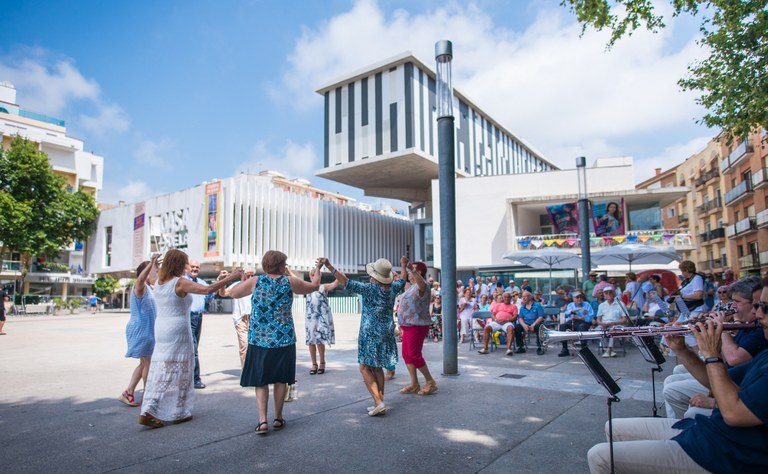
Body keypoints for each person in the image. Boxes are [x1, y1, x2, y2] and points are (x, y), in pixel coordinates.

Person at [586, 278, 768, 474]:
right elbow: (718, 383)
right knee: (612, 427)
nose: (758, 313)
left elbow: (734, 414)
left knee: (599, 456)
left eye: (764, 307)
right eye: (757, 306)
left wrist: (712, 354)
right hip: (707, 433)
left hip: (722, 454)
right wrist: (681, 349)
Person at [138, 249, 242, 428]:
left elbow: (147, 276)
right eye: (185, 263)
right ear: (178, 265)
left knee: (161, 369)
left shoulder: (158, 282)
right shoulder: (180, 283)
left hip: (161, 328)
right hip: (178, 330)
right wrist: (231, 277)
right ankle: (175, 411)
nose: (187, 266)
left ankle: (151, 407)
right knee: (181, 369)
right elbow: (207, 289)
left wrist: (153, 261)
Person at [224, 251, 321, 434]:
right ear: (280, 265)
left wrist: (233, 278)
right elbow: (314, 286)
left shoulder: (256, 281)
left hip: (259, 340)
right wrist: (318, 269)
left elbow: (233, 293)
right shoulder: (289, 282)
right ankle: (277, 418)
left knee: (261, 381)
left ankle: (262, 421)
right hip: (283, 339)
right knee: (280, 380)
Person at [663, 276, 766, 419]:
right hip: (730, 381)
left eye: (736, 302)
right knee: (673, 382)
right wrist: (704, 332)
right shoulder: (747, 324)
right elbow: (724, 361)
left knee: (674, 391)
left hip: (733, 390)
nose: (732, 307)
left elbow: (733, 359)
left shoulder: (759, 331)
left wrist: (720, 328)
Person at [323, 256, 406, 417]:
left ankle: (378, 402)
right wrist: (403, 265)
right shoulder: (393, 288)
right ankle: (379, 401)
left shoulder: (370, 289)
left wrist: (329, 266)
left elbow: (345, 281)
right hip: (387, 332)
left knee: (364, 368)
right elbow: (402, 280)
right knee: (378, 367)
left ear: (374, 276)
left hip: (370, 334)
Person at [119, 256, 159, 407]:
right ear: (146, 273)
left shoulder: (151, 289)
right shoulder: (140, 288)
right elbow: (140, 280)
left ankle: (128, 391)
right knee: (148, 362)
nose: (157, 274)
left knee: (144, 363)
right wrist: (151, 265)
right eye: (155, 271)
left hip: (148, 329)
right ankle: (147, 394)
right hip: (141, 329)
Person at [396, 260, 437, 396]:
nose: (409, 274)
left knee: (414, 355)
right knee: (406, 355)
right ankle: (414, 383)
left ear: (418, 272)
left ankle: (430, 381)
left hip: (417, 326)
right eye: (408, 272)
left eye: (411, 271)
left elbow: (421, 283)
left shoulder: (423, 285)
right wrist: (403, 267)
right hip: (407, 326)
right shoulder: (412, 286)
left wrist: (411, 269)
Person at [218, 266, 256, 367]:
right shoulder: (236, 285)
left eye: (252, 275)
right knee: (245, 346)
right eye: (248, 275)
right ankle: (245, 371)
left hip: (255, 319)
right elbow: (222, 293)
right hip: (241, 319)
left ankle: (254, 370)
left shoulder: (256, 286)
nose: (250, 277)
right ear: (243, 275)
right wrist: (223, 281)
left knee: (256, 346)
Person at [184, 259, 213, 389]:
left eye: (197, 267)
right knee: (193, 349)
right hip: (188, 317)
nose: (195, 269)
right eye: (192, 266)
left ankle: (188, 377)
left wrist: (219, 281)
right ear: (186, 268)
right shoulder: (183, 281)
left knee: (193, 348)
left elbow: (210, 295)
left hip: (198, 317)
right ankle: (195, 379)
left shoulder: (201, 282)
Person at [305, 267, 338, 375]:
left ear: (320, 276)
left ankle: (322, 362)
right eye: (312, 275)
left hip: (321, 318)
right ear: (310, 277)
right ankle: (314, 364)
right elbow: (295, 279)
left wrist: (339, 276)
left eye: (316, 274)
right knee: (311, 341)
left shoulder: (323, 287)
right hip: (311, 318)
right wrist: (289, 272)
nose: (314, 276)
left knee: (319, 341)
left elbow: (334, 284)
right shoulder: (307, 287)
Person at [592, 286, 629, 358]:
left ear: (614, 294)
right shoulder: (601, 305)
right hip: (605, 324)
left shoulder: (620, 304)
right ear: (604, 295)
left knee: (613, 329)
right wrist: (601, 323)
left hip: (616, 324)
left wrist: (615, 323)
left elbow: (625, 319)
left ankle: (608, 349)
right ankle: (608, 348)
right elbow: (598, 319)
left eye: (610, 292)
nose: (608, 294)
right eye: (606, 293)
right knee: (598, 330)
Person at [557, 292, 594, 357]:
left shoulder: (587, 304)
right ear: (573, 299)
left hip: (583, 322)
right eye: (577, 297)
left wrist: (581, 317)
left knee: (582, 326)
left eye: (580, 297)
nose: (579, 299)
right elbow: (567, 313)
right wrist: (578, 309)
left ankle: (584, 349)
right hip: (572, 322)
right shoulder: (570, 305)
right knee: (562, 326)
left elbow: (591, 318)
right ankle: (565, 348)